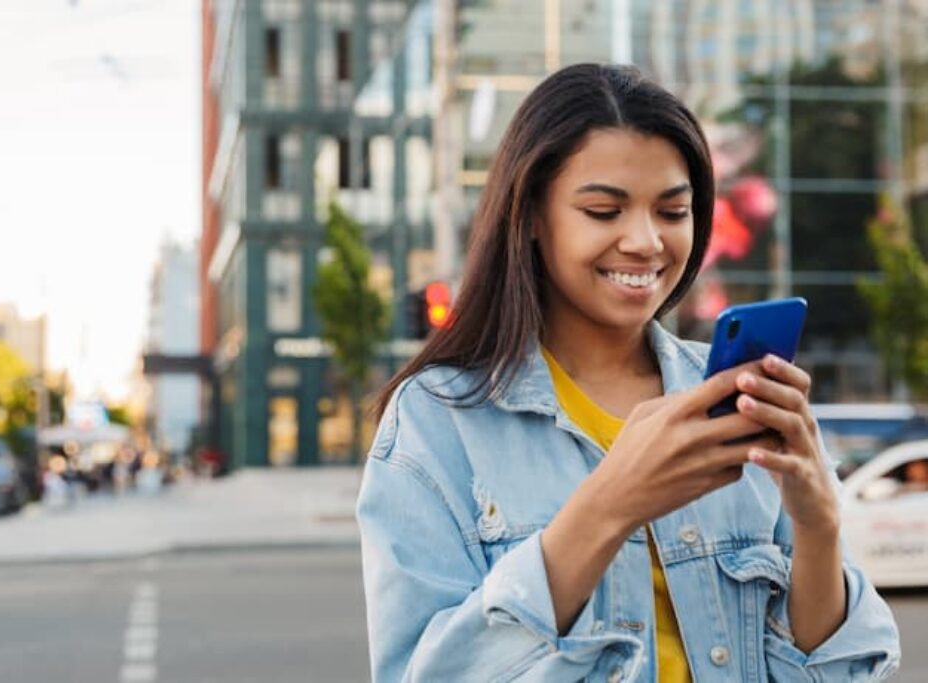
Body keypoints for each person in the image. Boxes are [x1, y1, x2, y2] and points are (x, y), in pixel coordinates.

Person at [356, 64, 900, 682]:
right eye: (603, 210)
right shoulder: (438, 419)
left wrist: (818, 522)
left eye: (672, 212)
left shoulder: (736, 395)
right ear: (532, 217)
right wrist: (608, 507)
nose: (645, 241)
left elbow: (837, 673)